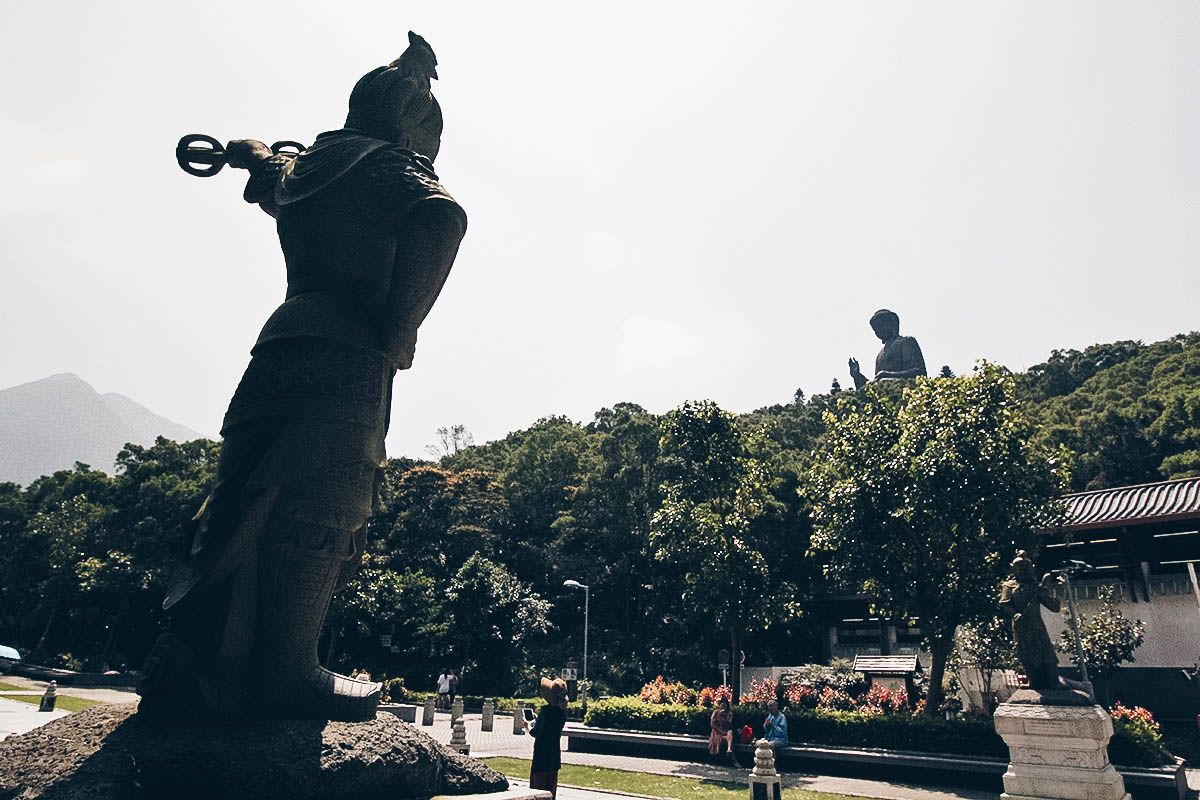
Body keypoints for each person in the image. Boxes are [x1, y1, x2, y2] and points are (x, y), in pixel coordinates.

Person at [137, 32, 467, 723]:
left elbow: (269, 162)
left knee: (246, 493)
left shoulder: (309, 170)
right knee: (326, 499)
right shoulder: (385, 167)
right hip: (348, 349)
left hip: (282, 342)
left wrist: (252, 152)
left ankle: (207, 656)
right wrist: (400, 325)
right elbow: (440, 217)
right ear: (407, 121)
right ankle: (286, 670)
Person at [848, 308, 927, 390]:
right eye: (875, 329)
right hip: (886, 390)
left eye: (881, 326)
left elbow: (920, 372)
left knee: (884, 381)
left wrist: (888, 375)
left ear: (891, 324)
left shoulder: (906, 342)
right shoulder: (880, 355)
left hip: (905, 388)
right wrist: (857, 375)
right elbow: (876, 383)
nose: (878, 331)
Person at [526, 677, 568, 799]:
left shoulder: (545, 711)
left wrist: (528, 725)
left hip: (541, 755)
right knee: (551, 790)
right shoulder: (562, 712)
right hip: (554, 755)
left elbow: (536, 732)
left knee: (537, 789)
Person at [708, 697, 736, 765]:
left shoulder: (729, 714)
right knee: (730, 741)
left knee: (730, 732)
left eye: (724, 705)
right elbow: (712, 724)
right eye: (722, 705)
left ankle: (729, 749)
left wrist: (725, 717)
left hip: (726, 733)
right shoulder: (716, 712)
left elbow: (729, 725)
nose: (723, 706)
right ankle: (734, 760)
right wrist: (720, 731)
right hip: (716, 733)